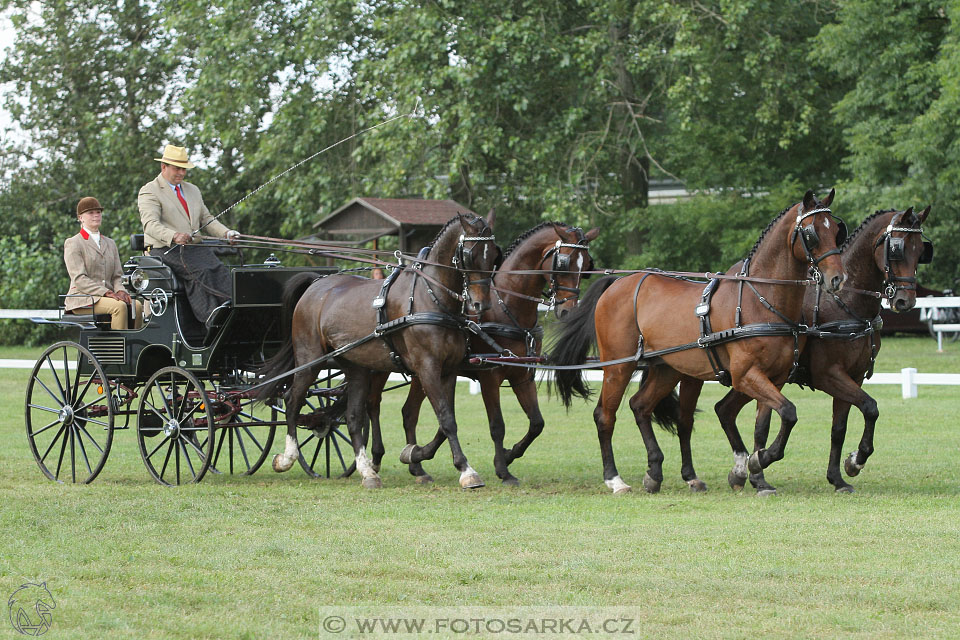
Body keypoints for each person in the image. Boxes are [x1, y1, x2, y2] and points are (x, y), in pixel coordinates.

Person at [138, 144, 240, 328]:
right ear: (164, 167)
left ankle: (233, 311)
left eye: (184, 168)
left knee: (219, 270)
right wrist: (174, 235)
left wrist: (226, 233)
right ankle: (211, 319)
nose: (181, 173)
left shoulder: (193, 190)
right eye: (177, 168)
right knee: (202, 272)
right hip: (165, 249)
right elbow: (150, 225)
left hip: (193, 248)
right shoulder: (150, 191)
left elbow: (207, 219)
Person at [64, 197, 143, 330]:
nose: (96, 215)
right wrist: (106, 292)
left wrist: (120, 291)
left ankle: (135, 348)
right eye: (91, 213)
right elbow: (79, 279)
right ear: (80, 218)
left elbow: (117, 276)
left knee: (137, 306)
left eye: (98, 212)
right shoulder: (74, 243)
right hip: (83, 298)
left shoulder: (110, 243)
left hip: (109, 297)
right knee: (119, 307)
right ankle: (118, 349)